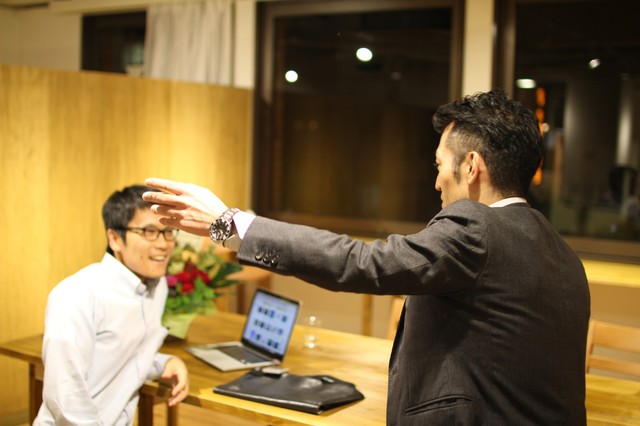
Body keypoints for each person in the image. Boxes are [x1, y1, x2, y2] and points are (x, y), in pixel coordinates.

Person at [142, 89, 590, 425]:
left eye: (439, 165)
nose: (437, 182)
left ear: (471, 166)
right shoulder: (561, 252)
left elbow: (362, 262)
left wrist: (231, 223)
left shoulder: (476, 227)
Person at [34, 185, 189, 425]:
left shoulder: (157, 286)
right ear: (115, 239)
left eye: (168, 231)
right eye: (149, 231)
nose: (163, 244)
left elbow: (125, 357)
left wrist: (164, 363)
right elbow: (65, 397)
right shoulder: (78, 294)